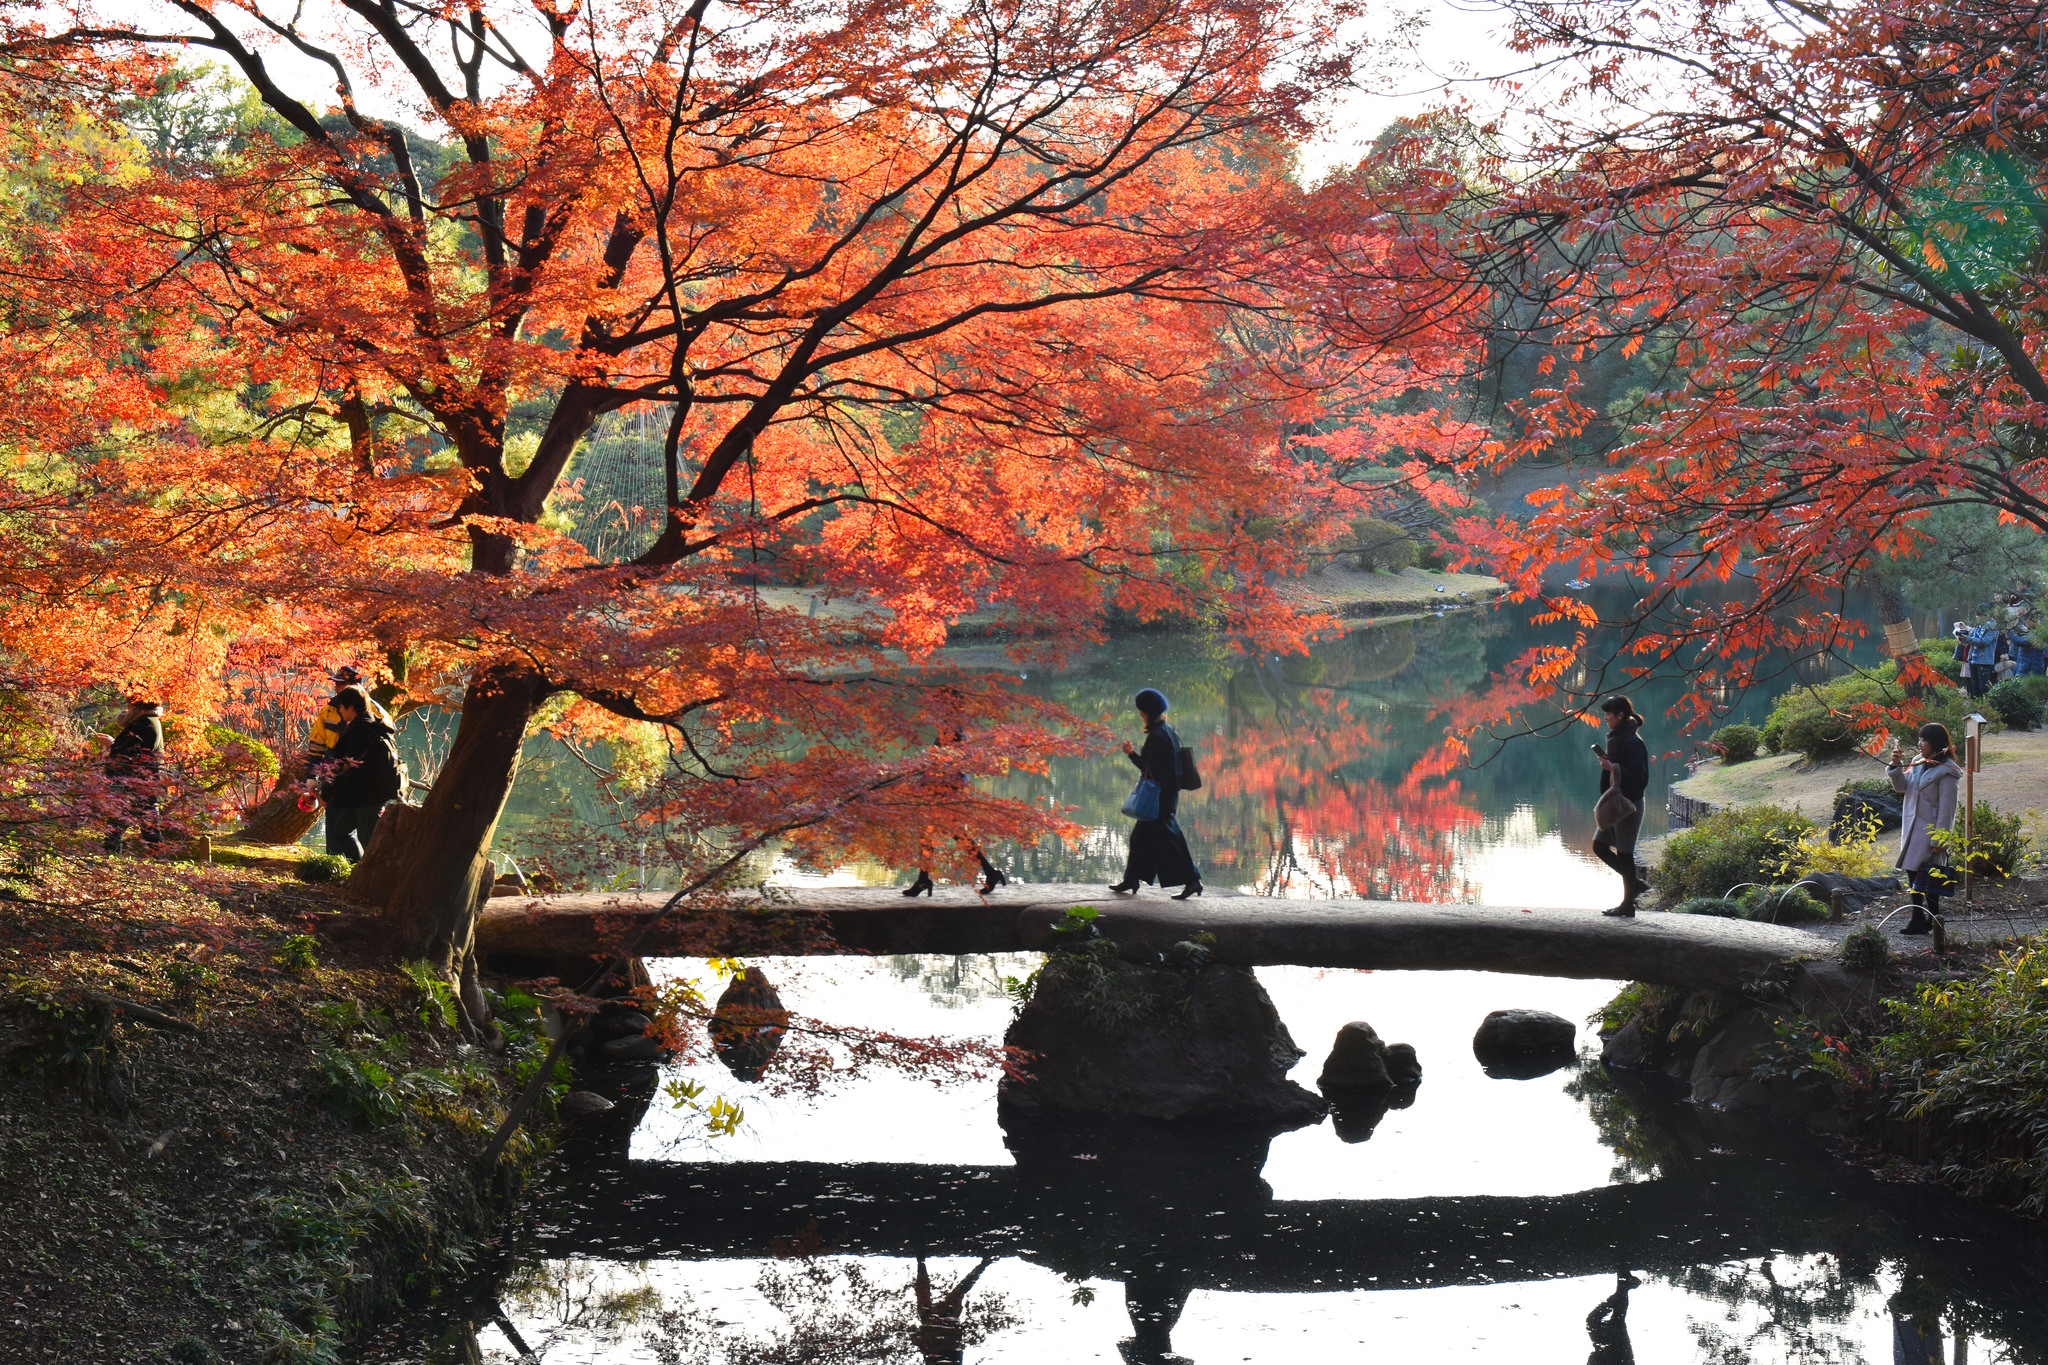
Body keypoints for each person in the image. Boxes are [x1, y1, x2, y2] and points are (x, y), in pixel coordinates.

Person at [1108, 688, 1201, 900]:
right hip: (1167, 793)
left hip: (1159, 797)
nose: (1140, 714)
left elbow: (1148, 768)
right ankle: (1131, 879)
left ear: (1148, 711)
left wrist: (1130, 754)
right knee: (1140, 837)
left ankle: (1193, 879)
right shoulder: (1168, 730)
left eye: (1141, 710)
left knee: (1170, 839)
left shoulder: (1157, 736)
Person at [1887, 723, 1961, 937]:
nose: (1919, 744)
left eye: (1923, 740)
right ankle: (1918, 917)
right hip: (1912, 831)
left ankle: (1934, 919)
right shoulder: (1917, 764)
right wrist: (1895, 765)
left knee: (1931, 877)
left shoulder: (1947, 772)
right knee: (1913, 875)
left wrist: (1940, 839)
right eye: (1919, 739)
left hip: (1929, 834)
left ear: (1935, 742)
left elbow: (1947, 809)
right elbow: (1902, 787)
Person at [316, 686, 402, 859]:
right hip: (363, 793)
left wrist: (327, 791)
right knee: (342, 831)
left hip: (370, 794)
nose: (339, 711)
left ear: (351, 708)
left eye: (341, 707)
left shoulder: (362, 730)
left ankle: (373, 879)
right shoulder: (369, 725)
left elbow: (349, 767)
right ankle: (357, 871)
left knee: (369, 839)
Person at [1591, 696, 1650, 917]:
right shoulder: (1617, 737)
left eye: (1608, 714)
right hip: (1615, 802)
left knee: (1625, 855)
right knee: (1599, 846)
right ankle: (1634, 884)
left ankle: (1627, 905)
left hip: (1628, 805)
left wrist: (1611, 767)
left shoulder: (1632, 742)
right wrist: (1610, 764)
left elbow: (1639, 777)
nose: (1605, 718)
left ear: (1620, 716)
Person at [100, 697, 166, 854]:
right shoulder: (150, 720)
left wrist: (112, 744)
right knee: (147, 827)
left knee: (120, 824)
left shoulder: (144, 723)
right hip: (145, 783)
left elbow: (128, 752)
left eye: (130, 700)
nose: (127, 703)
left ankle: (110, 857)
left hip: (135, 783)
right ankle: (160, 859)